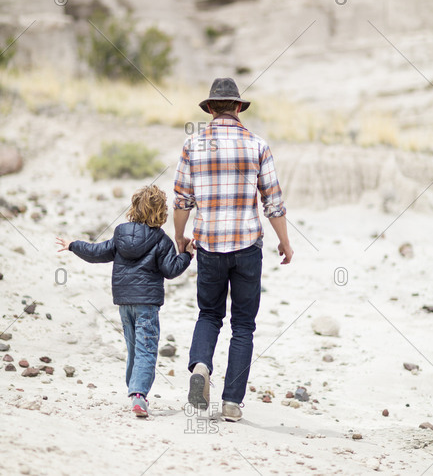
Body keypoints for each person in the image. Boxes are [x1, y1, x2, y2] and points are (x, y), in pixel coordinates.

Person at [173, 77, 294, 422]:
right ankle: (231, 403)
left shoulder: (193, 144)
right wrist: (285, 241)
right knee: (243, 325)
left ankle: (200, 367)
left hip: (209, 245)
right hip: (247, 247)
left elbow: (182, 199)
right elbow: (273, 202)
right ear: (239, 107)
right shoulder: (257, 144)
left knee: (209, 315)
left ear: (210, 108)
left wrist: (180, 237)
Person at [56, 185, 194, 418]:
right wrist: (187, 255)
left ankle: (134, 392)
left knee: (133, 348)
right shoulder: (161, 239)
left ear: (134, 208)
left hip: (124, 302)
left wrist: (73, 245)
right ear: (161, 212)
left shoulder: (120, 233)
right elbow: (171, 270)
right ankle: (139, 396)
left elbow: (96, 252)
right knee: (146, 349)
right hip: (147, 304)